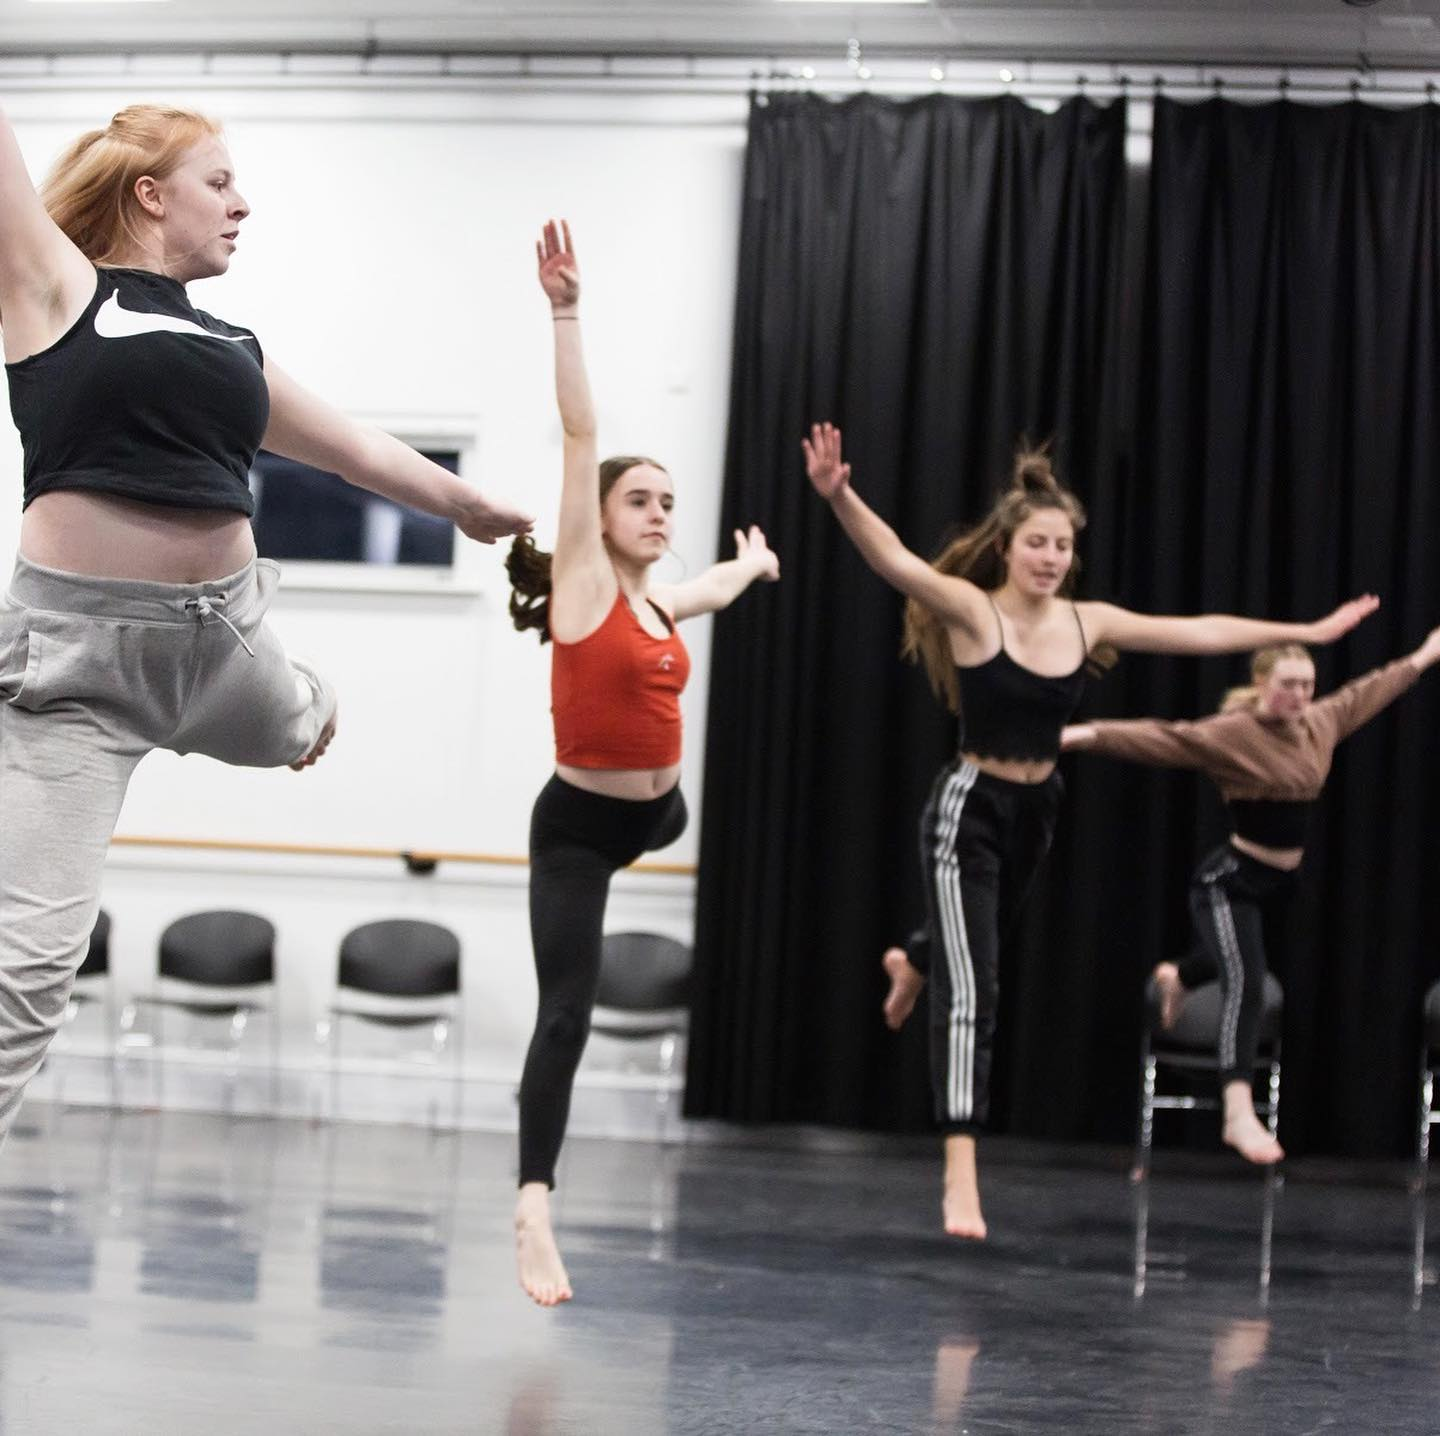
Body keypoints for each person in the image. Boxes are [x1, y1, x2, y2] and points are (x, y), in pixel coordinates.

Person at [0, 102, 531, 1145]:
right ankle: (297, 710)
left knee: (291, 720)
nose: (243, 204)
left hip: (228, 646)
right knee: (32, 967)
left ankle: (304, 705)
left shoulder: (233, 343)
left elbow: (352, 450)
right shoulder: (58, 290)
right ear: (151, 194)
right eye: (220, 182)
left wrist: (463, 505)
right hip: (78, 674)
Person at [801, 420, 1377, 1237]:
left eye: (1063, 547)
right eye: (1038, 544)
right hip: (970, 802)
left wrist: (1306, 635)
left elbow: (1198, 631)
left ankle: (914, 957)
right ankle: (961, 1166)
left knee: (980, 937)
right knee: (979, 989)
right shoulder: (972, 611)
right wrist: (839, 495)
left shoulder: (1086, 622)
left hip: (1036, 810)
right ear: (1008, 548)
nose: (1050, 558)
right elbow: (893, 559)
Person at [507, 220, 778, 1307]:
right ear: (603, 520)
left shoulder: (661, 593)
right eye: (642, 500)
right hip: (577, 828)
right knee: (567, 1006)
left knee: (661, 817)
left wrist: (748, 568)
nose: (659, 513)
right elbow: (583, 433)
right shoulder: (581, 582)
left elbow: (703, 592)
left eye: (669, 500)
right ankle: (534, 1204)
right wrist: (567, 311)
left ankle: (535, 1202)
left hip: (655, 816)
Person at [1062, 626, 1440, 1163]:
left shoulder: (1319, 723)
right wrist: (1084, 735)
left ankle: (1182, 974)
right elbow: (1163, 737)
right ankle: (1238, 1111)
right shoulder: (1234, 733)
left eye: (1308, 685)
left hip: (1284, 883)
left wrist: (1424, 654)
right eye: (1289, 685)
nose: (1301, 696)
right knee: (1246, 978)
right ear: (1262, 684)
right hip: (1229, 880)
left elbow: (1371, 689)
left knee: (1230, 956)